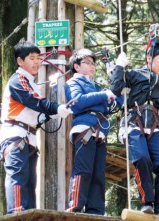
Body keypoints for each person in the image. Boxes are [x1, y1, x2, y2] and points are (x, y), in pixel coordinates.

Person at [110, 39, 159, 216]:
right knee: (142, 158)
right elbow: (115, 89)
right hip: (133, 123)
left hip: (155, 126)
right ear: (149, 58)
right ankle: (147, 202)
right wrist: (119, 67)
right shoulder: (134, 75)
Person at [0, 39, 72, 214]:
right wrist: (55, 108)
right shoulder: (18, 80)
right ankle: (16, 214)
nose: (37, 62)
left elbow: (38, 113)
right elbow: (33, 101)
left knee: (30, 182)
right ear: (20, 61)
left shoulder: (31, 83)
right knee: (18, 177)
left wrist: (54, 113)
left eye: (38, 58)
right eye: (32, 58)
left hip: (29, 137)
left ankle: (28, 215)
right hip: (15, 134)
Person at [65, 48, 121, 215]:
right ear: (76, 66)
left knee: (98, 175)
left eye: (93, 64)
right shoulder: (73, 83)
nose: (92, 66)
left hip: (100, 133)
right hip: (85, 130)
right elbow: (77, 102)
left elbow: (116, 104)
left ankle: (96, 211)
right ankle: (74, 207)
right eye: (87, 63)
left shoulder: (95, 86)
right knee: (84, 171)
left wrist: (117, 82)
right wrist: (105, 95)